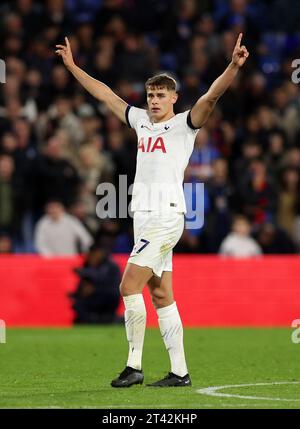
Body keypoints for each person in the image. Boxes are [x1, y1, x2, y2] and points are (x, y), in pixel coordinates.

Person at [56, 32, 249, 387]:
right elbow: (103, 93)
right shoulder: (140, 121)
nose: (155, 100)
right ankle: (180, 372)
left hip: (166, 216)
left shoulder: (185, 125)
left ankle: (134, 366)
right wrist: (72, 66)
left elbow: (213, 95)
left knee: (128, 286)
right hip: (143, 220)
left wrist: (233, 67)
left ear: (174, 98)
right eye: (150, 95)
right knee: (161, 295)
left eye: (161, 95)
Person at [70, 244, 121, 324]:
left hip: (109, 298)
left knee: (81, 306)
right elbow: (84, 286)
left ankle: (106, 320)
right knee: (78, 305)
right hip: (96, 298)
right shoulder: (92, 266)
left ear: (98, 253)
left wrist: (94, 289)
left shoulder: (110, 266)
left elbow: (102, 279)